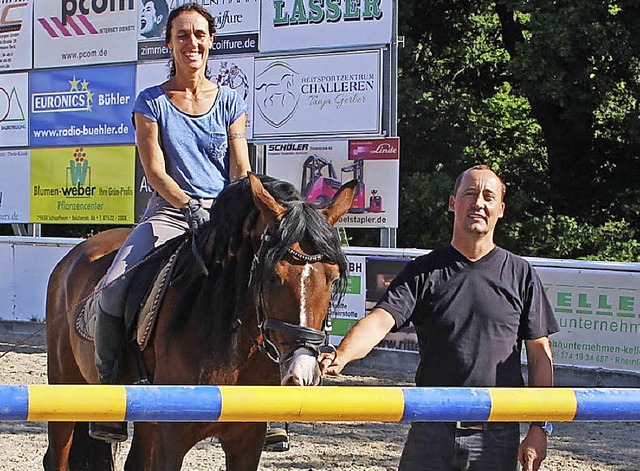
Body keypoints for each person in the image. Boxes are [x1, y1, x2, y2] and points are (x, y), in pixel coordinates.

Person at [320, 165, 559, 471]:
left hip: (497, 437)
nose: (478, 203)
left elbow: (540, 355)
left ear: (501, 209)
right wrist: (341, 355)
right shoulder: (424, 271)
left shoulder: (521, 274)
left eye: (488, 196)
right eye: (469, 194)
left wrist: (540, 429)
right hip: (431, 429)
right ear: (452, 202)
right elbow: (380, 320)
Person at [89, 2, 250, 442]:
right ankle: (111, 390)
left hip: (223, 215)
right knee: (114, 288)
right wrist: (188, 207)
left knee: (269, 280)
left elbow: (239, 169)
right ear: (170, 44)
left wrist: (233, 211)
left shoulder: (231, 101)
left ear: (211, 40)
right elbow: (156, 171)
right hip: (169, 214)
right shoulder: (150, 102)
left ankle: (268, 404)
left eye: (199, 34)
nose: (192, 42)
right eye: (182, 35)